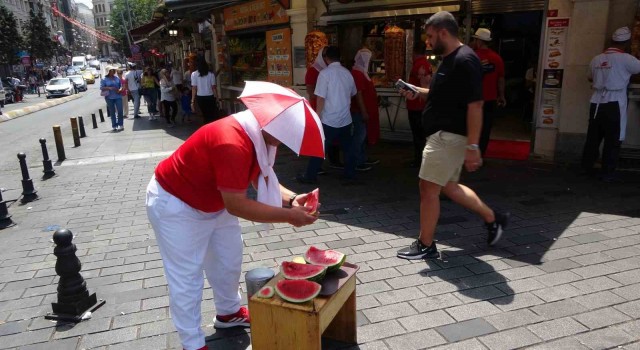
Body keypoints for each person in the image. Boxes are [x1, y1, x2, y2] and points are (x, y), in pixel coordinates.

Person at [145, 107, 319, 350]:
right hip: (176, 203)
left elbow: (260, 179)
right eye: (284, 134)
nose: (284, 141)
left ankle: (228, 313)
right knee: (187, 277)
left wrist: (292, 199)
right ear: (268, 122)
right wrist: (289, 217)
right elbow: (237, 205)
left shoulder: (259, 136)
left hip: (214, 200)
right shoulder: (232, 141)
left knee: (228, 259)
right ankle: (192, 344)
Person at [396, 11, 509, 260]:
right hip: (444, 135)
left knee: (427, 189)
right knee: (449, 187)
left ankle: (426, 244)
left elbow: (475, 105)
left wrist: (473, 145)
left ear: (443, 33)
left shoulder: (465, 60)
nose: (427, 41)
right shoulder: (448, 59)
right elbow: (441, 94)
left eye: (429, 36)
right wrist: (417, 91)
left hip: (448, 137)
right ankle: (493, 218)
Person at [581, 26, 640, 182]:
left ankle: (586, 168)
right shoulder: (628, 59)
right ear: (626, 43)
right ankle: (607, 172)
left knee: (593, 137)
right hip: (614, 102)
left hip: (596, 101)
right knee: (613, 138)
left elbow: (589, 78)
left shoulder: (597, 59)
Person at [297, 46, 357, 184]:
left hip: (329, 118)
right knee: (348, 148)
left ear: (326, 58)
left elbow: (320, 98)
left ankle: (310, 175)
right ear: (339, 57)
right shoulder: (347, 73)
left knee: (320, 148)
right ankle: (350, 173)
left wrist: (317, 117)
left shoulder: (325, 74)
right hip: (345, 117)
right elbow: (353, 93)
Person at [470, 28, 506, 155]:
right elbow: (500, 79)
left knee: (470, 126)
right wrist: (501, 96)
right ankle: (481, 154)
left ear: (478, 41)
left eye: (475, 39)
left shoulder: (471, 56)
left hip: (473, 99)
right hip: (490, 98)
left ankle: (469, 154)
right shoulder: (496, 58)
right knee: (485, 128)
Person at [350, 48, 380, 172]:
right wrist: (363, 111)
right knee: (359, 137)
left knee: (362, 136)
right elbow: (359, 94)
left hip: (366, 109)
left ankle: (362, 158)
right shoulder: (357, 73)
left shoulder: (362, 72)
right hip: (359, 111)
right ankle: (356, 161)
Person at [407, 41, 433, 167]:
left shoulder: (420, 65)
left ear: (415, 52)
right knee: (421, 134)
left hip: (417, 105)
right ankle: (421, 159)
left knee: (418, 134)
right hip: (420, 105)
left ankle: (420, 160)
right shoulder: (426, 64)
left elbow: (424, 86)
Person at [191, 58, 219, 124]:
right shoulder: (211, 74)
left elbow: (194, 88)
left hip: (200, 97)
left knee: (204, 113)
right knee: (211, 114)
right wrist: (217, 97)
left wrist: (192, 100)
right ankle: (210, 126)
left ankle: (206, 125)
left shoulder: (194, 74)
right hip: (210, 96)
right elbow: (214, 87)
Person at [100, 66, 124, 132]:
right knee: (112, 112)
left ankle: (121, 124)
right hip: (109, 97)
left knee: (120, 110)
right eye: (111, 70)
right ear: (108, 71)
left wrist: (120, 89)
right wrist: (109, 88)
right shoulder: (104, 79)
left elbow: (121, 86)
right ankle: (114, 125)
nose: (112, 71)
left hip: (118, 96)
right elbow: (101, 88)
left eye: (113, 70)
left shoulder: (117, 78)